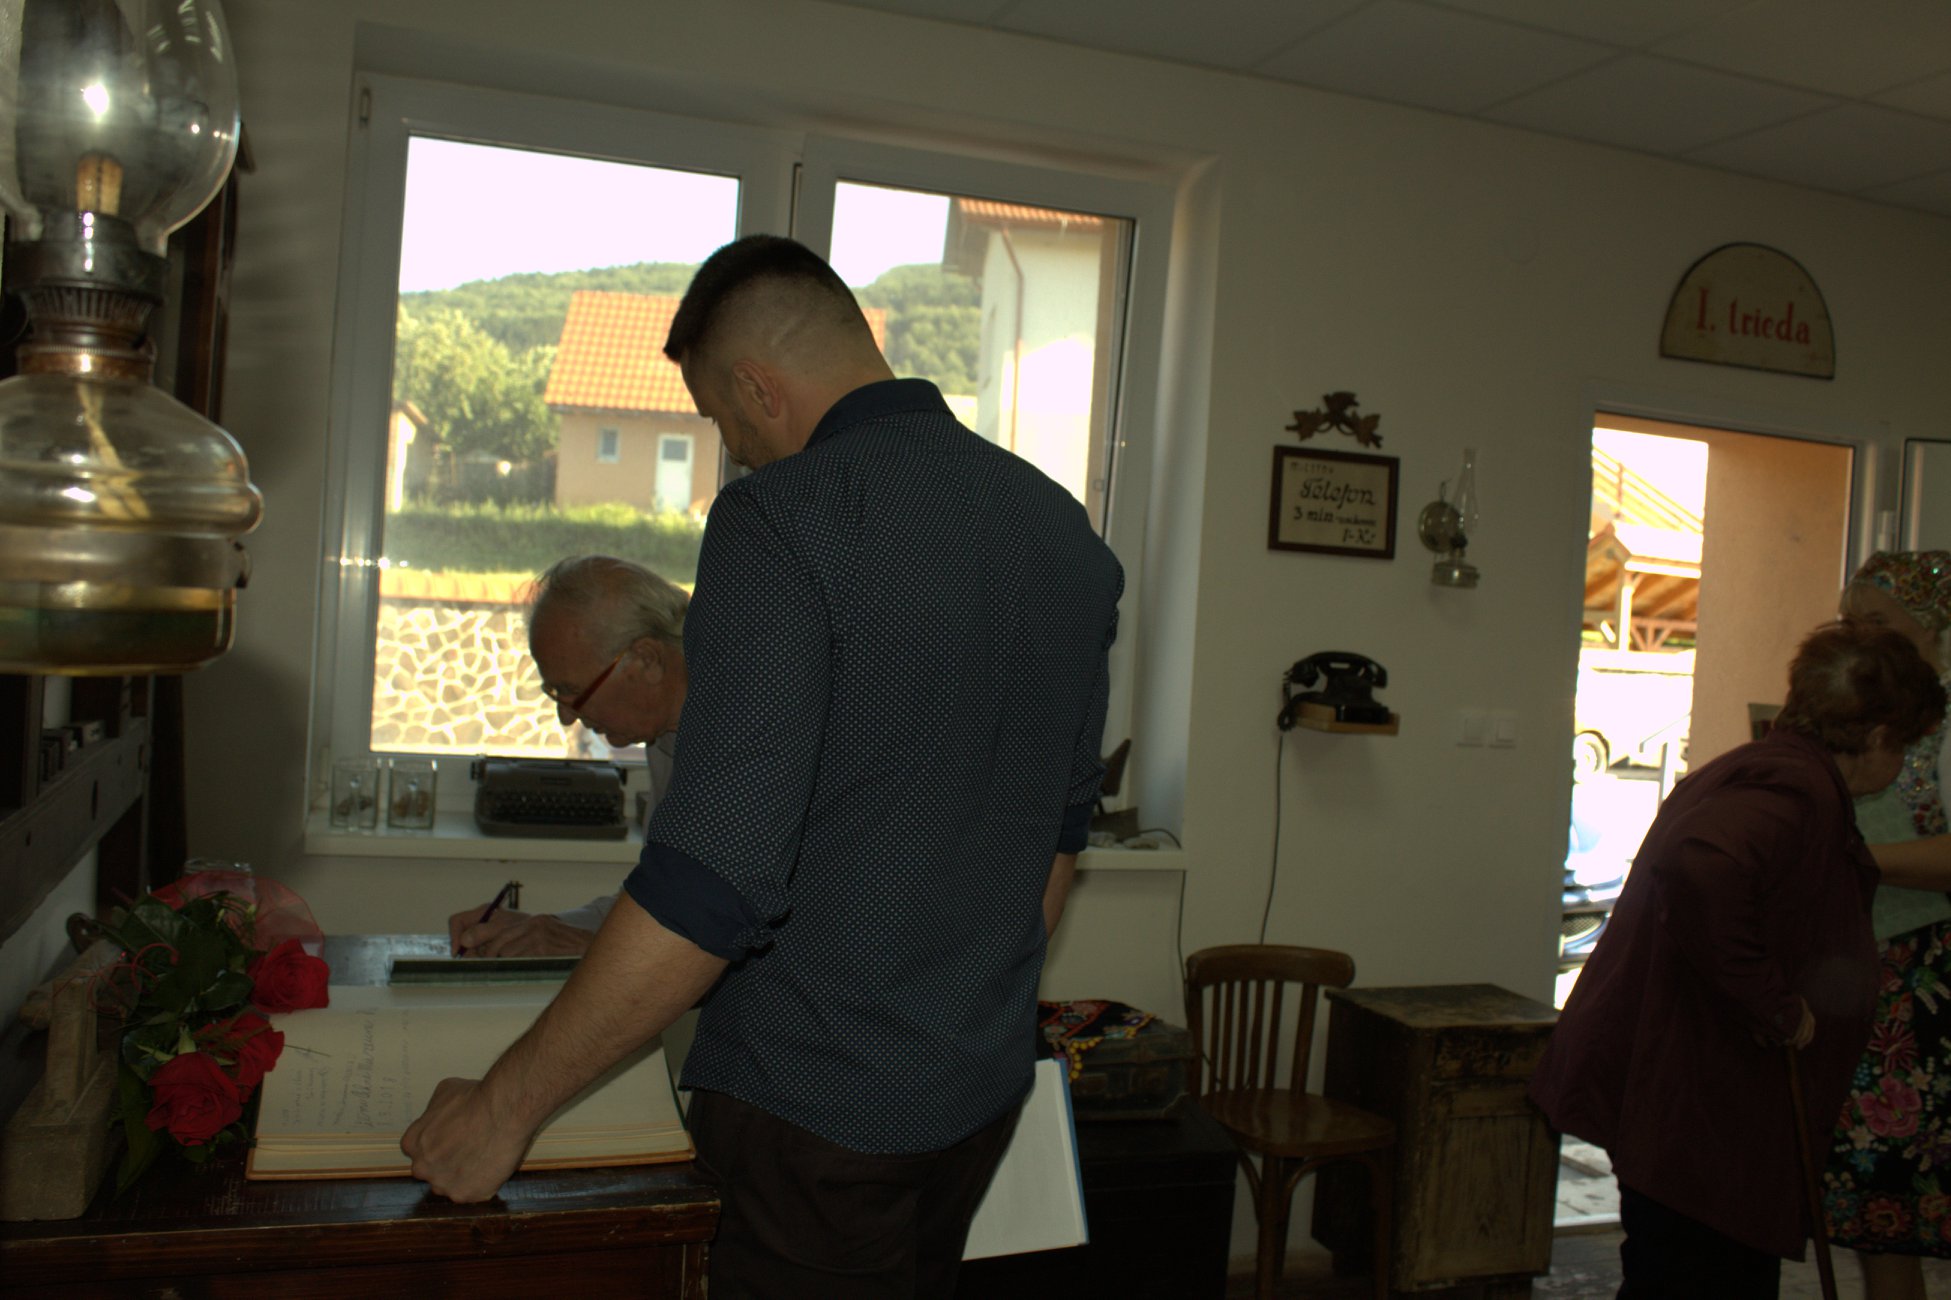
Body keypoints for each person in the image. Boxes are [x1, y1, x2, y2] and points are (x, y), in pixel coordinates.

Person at [402, 234, 1124, 1298]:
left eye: (716, 417)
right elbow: (1054, 844)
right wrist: (951, 1025)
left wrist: (500, 1108)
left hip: (812, 1114)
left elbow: (713, 876)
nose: (731, 448)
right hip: (976, 1095)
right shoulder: (1062, 533)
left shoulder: (781, 519)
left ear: (755, 386)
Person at [1529, 619, 1946, 1300]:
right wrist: (1773, 1005)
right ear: (1876, 738)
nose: (1901, 764)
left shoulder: (1771, 770)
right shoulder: (1792, 788)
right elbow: (1699, 866)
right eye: (1903, 746)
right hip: (1698, 1114)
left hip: (1691, 1103)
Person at [446, 554, 689, 959]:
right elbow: (663, 905)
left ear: (647, 660)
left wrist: (593, 948)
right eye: (555, 694)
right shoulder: (665, 739)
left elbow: (739, 929)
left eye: (573, 691)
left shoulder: (746, 740)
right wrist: (550, 929)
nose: (566, 717)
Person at [1823, 551, 1951, 1300]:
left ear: (1933, 629)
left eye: (1876, 621)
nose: (1858, 637)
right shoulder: (1857, 718)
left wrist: (1855, 858)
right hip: (1872, 978)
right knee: (1881, 1202)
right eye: (1848, 622)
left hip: (1931, 983)